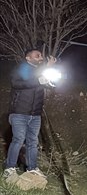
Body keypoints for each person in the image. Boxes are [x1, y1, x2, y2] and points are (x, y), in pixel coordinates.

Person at [5, 45, 57, 181]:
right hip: (19, 112)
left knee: (33, 142)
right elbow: (18, 83)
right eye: (37, 56)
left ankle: (32, 168)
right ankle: (9, 168)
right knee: (18, 140)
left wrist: (51, 78)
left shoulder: (40, 73)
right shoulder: (22, 68)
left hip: (35, 114)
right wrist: (41, 76)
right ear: (28, 58)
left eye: (41, 56)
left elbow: (49, 83)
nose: (40, 58)